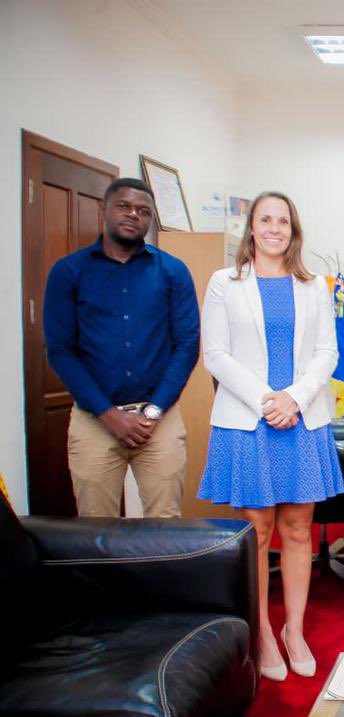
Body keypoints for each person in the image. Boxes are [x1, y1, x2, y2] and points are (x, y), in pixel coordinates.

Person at [198, 191, 344, 681]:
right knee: (258, 533)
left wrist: (294, 399)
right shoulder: (225, 282)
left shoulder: (312, 286)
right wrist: (267, 399)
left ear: (293, 229)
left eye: (284, 220)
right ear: (253, 228)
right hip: (249, 420)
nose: (275, 228)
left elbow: (327, 353)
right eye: (266, 219)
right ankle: (262, 631)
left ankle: (293, 629)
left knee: (299, 529)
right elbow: (215, 354)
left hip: (301, 420)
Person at [43, 177, 199, 518]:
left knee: (165, 525)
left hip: (159, 421)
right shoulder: (69, 272)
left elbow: (187, 345)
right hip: (95, 421)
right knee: (97, 530)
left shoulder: (172, 271)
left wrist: (154, 411)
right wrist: (108, 414)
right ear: (104, 209)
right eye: (124, 206)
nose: (133, 215)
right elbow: (60, 350)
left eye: (143, 211)